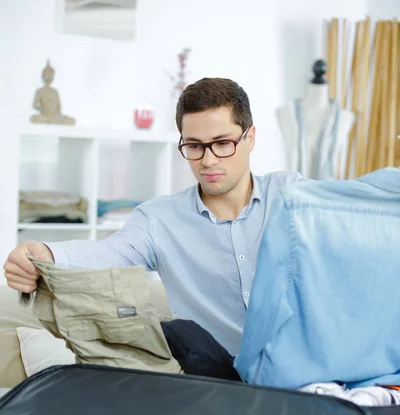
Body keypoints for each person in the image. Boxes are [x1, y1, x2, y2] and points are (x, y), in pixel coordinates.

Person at [4, 77, 300, 357]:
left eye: (223, 143)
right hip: (218, 381)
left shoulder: (292, 194)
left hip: (304, 373)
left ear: (250, 138)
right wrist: (47, 254)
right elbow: (108, 253)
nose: (208, 161)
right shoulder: (158, 219)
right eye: (195, 146)